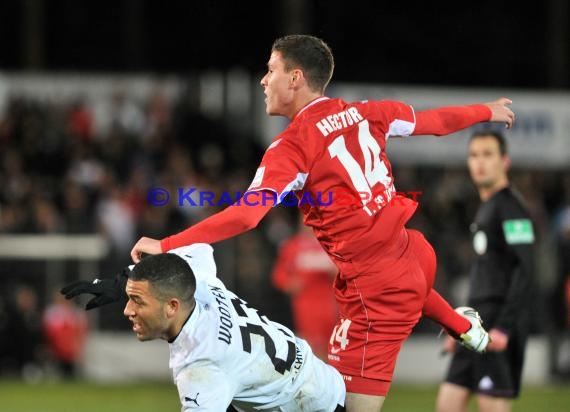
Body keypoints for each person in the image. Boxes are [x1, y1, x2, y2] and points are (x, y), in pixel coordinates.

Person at [129, 35, 515, 411]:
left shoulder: (294, 145)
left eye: (271, 70)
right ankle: (464, 327)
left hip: (375, 295)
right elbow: (433, 121)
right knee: (402, 291)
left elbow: (247, 214)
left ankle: (461, 326)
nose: (264, 80)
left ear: (295, 78)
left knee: (336, 406)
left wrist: (168, 244)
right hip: (412, 253)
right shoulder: (367, 111)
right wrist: (487, 110)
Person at [61, 243, 345, 412]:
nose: (127, 309)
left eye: (137, 301)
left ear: (172, 306)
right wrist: (126, 281)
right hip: (317, 378)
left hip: (312, 404)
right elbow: (199, 247)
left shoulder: (200, 368)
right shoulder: (198, 280)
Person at [436, 130, 536, 412]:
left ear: (505, 161)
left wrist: (503, 326)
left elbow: (526, 269)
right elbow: (486, 275)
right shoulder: (487, 207)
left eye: (488, 154)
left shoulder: (511, 207)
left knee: (490, 405)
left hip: (497, 326)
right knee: (447, 402)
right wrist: (461, 329)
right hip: (475, 326)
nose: (479, 162)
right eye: (474, 155)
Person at [271, 213, 339, 360]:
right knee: (313, 344)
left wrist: (337, 272)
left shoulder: (331, 245)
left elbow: (346, 272)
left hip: (331, 302)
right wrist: (290, 284)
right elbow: (279, 275)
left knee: (333, 344)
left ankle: (331, 378)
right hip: (306, 303)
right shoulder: (292, 246)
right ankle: (318, 377)